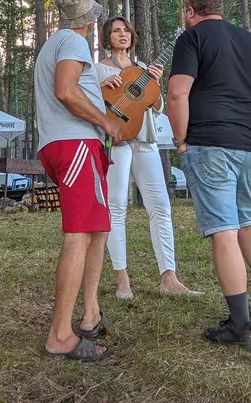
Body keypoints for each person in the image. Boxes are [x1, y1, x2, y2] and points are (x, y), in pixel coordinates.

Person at [167, 0, 251, 353]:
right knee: (246, 219)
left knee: (224, 230)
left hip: (211, 142)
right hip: (250, 143)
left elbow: (177, 93)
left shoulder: (191, 38)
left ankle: (239, 325)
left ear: (191, 10)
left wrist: (180, 140)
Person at [34, 0, 123, 362]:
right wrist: (105, 121)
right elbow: (67, 92)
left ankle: (90, 314)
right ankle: (59, 335)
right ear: (90, 20)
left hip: (75, 145)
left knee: (97, 228)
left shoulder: (55, 42)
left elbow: (74, 90)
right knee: (78, 234)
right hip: (74, 145)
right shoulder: (72, 40)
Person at [95, 16, 199, 299]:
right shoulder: (98, 69)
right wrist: (106, 83)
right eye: (116, 31)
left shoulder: (141, 68)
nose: (122, 35)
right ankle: (122, 280)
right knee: (116, 208)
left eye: (126, 30)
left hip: (146, 141)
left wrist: (154, 83)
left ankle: (169, 277)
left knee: (161, 206)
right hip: (117, 141)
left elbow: (155, 106)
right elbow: (94, 103)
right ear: (107, 38)